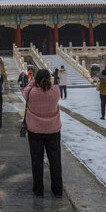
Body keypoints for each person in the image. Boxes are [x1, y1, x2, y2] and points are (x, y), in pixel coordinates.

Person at [22, 69, 62, 198]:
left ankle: (38, 190)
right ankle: (57, 190)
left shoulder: (31, 92)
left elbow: (25, 89)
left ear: (36, 79)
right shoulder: (55, 91)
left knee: (37, 161)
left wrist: (33, 81)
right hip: (53, 130)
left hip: (35, 130)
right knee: (55, 161)